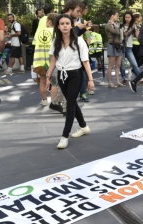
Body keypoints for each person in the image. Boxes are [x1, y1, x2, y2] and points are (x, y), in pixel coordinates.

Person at [45, 14, 95, 149]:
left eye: (67, 23)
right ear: (58, 26)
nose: (65, 26)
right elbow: (53, 61)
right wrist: (48, 77)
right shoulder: (56, 41)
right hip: (62, 75)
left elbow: (85, 61)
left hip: (75, 74)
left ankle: (64, 136)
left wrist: (90, 79)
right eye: (62, 24)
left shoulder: (79, 41)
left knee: (70, 104)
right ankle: (84, 126)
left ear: (71, 25)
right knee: (72, 101)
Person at [32, 13, 57, 106]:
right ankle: (54, 101)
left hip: (40, 60)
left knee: (42, 81)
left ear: (49, 21)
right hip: (52, 61)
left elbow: (35, 44)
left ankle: (44, 100)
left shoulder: (39, 32)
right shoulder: (56, 33)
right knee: (54, 82)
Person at [120, 11, 141, 83]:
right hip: (121, 47)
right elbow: (119, 37)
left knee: (134, 64)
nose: (127, 19)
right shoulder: (121, 26)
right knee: (122, 65)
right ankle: (124, 78)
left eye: (129, 17)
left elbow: (137, 36)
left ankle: (140, 78)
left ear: (131, 18)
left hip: (129, 47)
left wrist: (137, 30)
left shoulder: (133, 26)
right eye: (126, 17)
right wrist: (123, 34)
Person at [105, 9, 124, 88]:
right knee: (111, 65)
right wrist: (116, 27)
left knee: (118, 64)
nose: (117, 17)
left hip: (118, 45)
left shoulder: (116, 24)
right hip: (111, 45)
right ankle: (109, 82)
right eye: (116, 15)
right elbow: (116, 32)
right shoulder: (108, 25)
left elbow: (120, 34)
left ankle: (117, 81)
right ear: (112, 15)